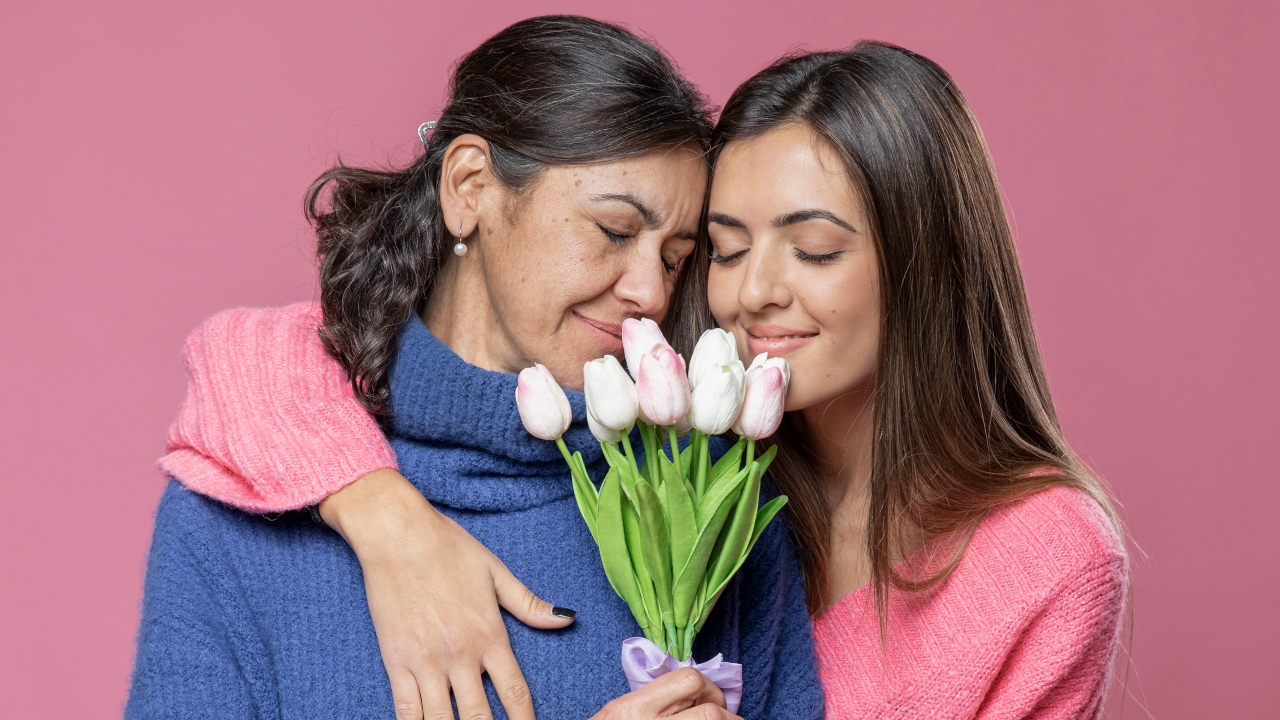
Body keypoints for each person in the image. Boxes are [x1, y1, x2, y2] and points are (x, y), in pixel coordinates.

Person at [152, 40, 1129, 719]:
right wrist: (389, 520)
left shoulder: (1031, 560)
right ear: (468, 191)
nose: (748, 294)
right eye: (724, 249)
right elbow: (260, 351)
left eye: (814, 249)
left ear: (925, 263)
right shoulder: (691, 458)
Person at [124, 16, 823, 720]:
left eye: (675, 256)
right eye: (613, 230)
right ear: (469, 187)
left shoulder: (714, 508)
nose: (650, 291)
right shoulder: (238, 520)